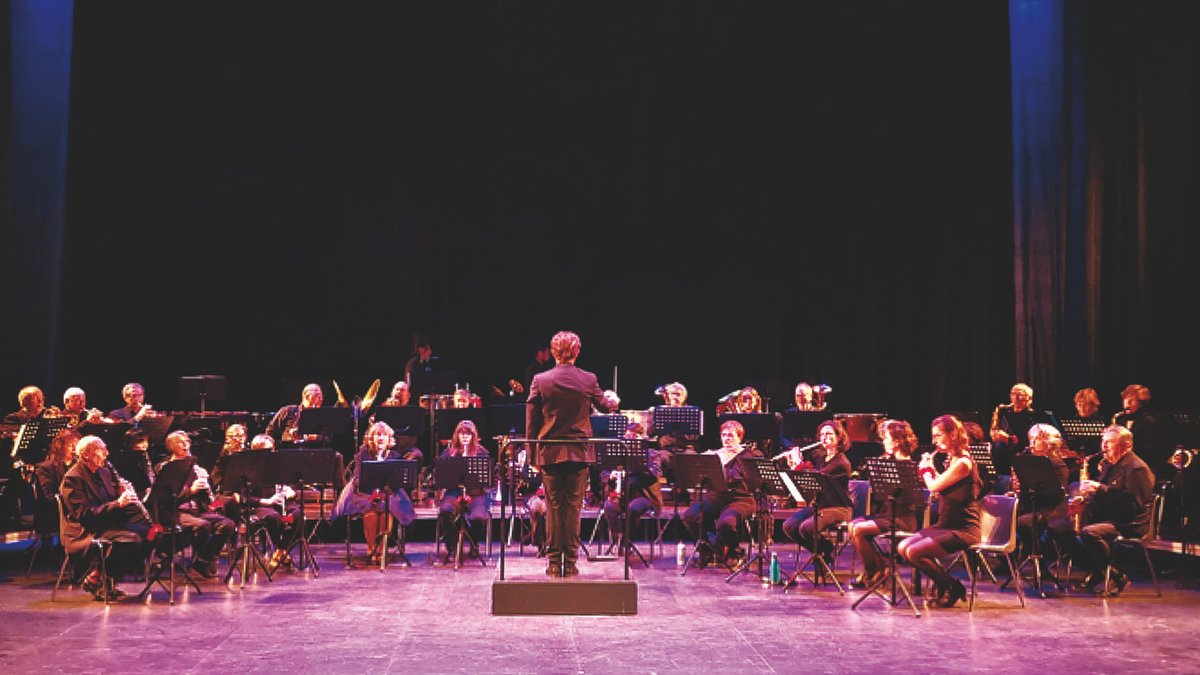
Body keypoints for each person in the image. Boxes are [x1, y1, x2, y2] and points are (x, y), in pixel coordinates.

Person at [525, 330, 621, 577]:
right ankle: (571, 561)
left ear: (554, 352)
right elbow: (605, 406)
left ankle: (555, 562)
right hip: (579, 453)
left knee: (554, 508)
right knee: (573, 508)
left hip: (549, 453)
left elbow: (531, 423)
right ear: (577, 352)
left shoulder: (541, 379)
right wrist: (614, 401)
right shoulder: (588, 379)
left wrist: (532, 455)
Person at [898, 415, 982, 609]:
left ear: (952, 435)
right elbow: (943, 487)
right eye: (933, 437)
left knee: (914, 551)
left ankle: (952, 586)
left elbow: (934, 486)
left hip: (964, 528)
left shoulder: (963, 463)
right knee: (903, 547)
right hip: (946, 524)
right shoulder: (951, 460)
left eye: (938, 436)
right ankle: (944, 583)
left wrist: (926, 470)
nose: (935, 441)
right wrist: (931, 471)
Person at [60, 435, 152, 601]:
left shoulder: (104, 472)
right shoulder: (72, 479)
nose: (107, 454)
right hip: (85, 531)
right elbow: (83, 515)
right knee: (131, 540)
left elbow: (113, 503)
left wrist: (125, 496)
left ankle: (103, 578)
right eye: (102, 450)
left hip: (107, 525)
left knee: (151, 534)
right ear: (86, 454)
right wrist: (118, 503)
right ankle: (101, 581)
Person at [1066, 425, 1156, 594]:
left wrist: (1099, 489)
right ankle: (1099, 571)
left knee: (1090, 532)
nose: (1104, 447)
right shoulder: (1110, 465)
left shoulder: (1137, 469)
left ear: (1126, 446)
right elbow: (1105, 495)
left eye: (1109, 442)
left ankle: (1114, 575)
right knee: (1063, 530)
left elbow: (1131, 506)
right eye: (1103, 442)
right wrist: (1085, 499)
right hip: (1109, 517)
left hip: (1129, 523)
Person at [848, 419, 920, 588]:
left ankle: (874, 571)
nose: (884, 442)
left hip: (902, 518)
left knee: (859, 529)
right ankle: (878, 568)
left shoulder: (908, 465)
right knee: (852, 525)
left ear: (897, 440)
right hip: (887, 514)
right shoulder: (889, 462)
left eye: (887, 438)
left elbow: (909, 499)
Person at [332, 420, 417, 563]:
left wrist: (386, 492)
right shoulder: (363, 454)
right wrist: (371, 492)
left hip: (389, 494)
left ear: (389, 439)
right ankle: (371, 548)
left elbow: (397, 482)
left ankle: (382, 548)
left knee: (386, 510)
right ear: (372, 438)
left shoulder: (394, 455)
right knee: (370, 512)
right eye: (378, 435)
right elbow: (358, 479)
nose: (381, 438)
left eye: (384, 435)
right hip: (365, 493)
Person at [681, 419, 763, 567]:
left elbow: (744, 479)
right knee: (690, 516)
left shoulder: (749, 456)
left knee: (725, 523)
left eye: (731, 435)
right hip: (716, 497)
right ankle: (708, 549)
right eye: (724, 435)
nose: (727, 438)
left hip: (740, 499)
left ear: (739, 437)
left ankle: (734, 551)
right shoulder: (714, 455)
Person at [155, 430, 235, 578]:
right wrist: (191, 490)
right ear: (171, 446)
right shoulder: (165, 468)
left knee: (227, 524)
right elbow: (165, 497)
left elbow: (208, 499)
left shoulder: (195, 467)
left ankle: (203, 560)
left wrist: (205, 487)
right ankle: (172, 551)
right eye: (181, 442)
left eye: (187, 442)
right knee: (202, 525)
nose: (186, 445)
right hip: (176, 512)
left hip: (197, 510)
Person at [782, 419, 853, 573]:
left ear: (839, 437)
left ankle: (824, 552)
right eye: (821, 434)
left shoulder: (841, 462)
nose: (824, 437)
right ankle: (822, 550)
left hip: (839, 507)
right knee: (789, 526)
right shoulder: (821, 457)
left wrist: (799, 465)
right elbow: (810, 476)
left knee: (807, 528)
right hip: (821, 505)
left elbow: (818, 477)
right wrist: (795, 466)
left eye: (829, 434)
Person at [1012, 423, 1073, 586]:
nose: (1031, 444)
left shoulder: (1057, 464)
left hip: (1052, 509)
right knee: (1007, 517)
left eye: (1036, 439)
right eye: (1031, 439)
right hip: (1034, 506)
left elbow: (1055, 494)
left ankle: (1040, 567)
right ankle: (1008, 563)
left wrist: (1026, 489)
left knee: (1024, 522)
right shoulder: (1031, 462)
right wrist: (1017, 488)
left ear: (1048, 442)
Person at [601, 422, 663, 552]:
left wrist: (640, 465)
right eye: (628, 436)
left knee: (633, 508)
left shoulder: (651, 454)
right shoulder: (617, 453)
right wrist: (610, 475)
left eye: (635, 437)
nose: (631, 440)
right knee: (609, 506)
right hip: (619, 494)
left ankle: (627, 542)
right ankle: (617, 539)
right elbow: (604, 473)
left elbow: (656, 474)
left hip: (641, 495)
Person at [434, 419, 491, 562]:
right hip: (454, 492)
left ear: (473, 436)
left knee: (478, 516)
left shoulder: (482, 453)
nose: (465, 437)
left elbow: (488, 479)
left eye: (468, 434)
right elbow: (440, 477)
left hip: (476, 493)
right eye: (462, 434)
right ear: (457, 436)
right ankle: (452, 546)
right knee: (446, 511)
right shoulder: (448, 453)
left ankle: (473, 544)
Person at [989, 383, 1056, 493]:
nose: (1015, 397)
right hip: (1002, 456)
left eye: (1019, 394)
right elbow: (995, 430)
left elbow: (1030, 441)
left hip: (1022, 455)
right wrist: (995, 434)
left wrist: (1010, 439)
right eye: (1013, 394)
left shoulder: (1035, 416)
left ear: (1028, 399)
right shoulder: (1003, 412)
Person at [1112, 384, 1165, 470]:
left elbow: (1152, 448)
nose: (1127, 403)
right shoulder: (1120, 420)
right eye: (1125, 399)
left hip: (1142, 466)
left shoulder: (1148, 421)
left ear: (1141, 403)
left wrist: (1128, 451)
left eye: (1132, 400)